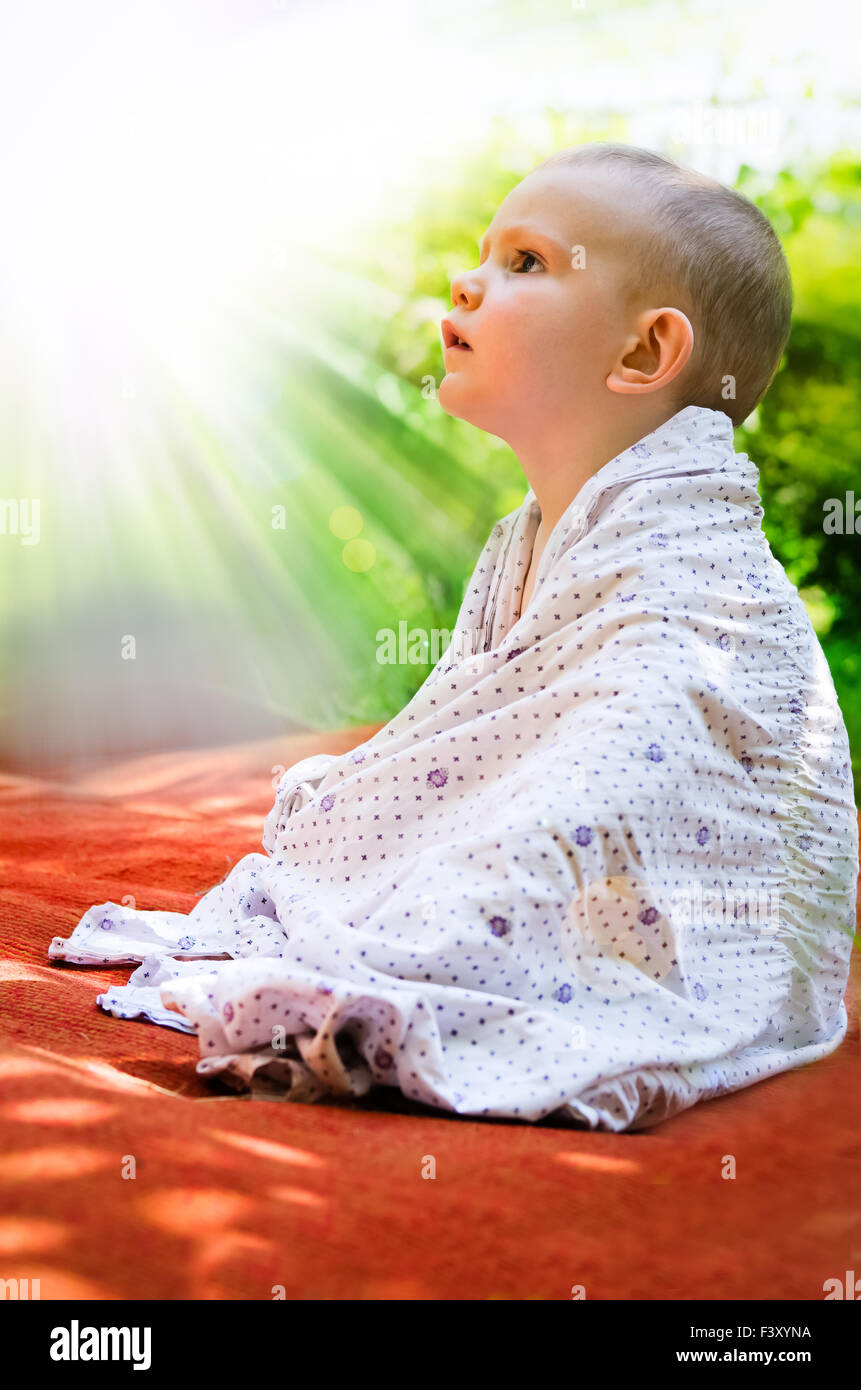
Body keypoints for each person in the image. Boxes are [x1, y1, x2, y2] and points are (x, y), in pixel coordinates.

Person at [49, 143, 858, 1131]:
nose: (465, 282)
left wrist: (505, 864)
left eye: (523, 263)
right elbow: (482, 718)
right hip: (579, 800)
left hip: (677, 868)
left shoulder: (690, 559)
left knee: (509, 892)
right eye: (481, 254)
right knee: (387, 847)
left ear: (644, 353)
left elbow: (643, 738)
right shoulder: (529, 532)